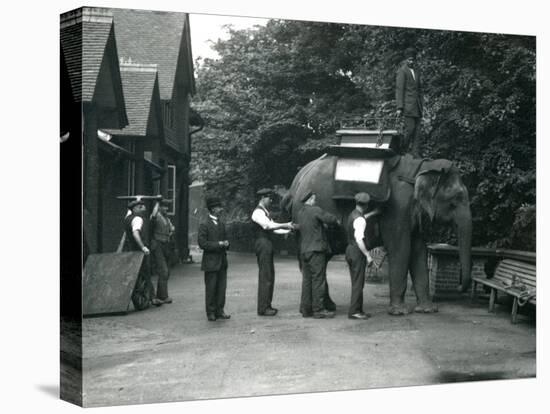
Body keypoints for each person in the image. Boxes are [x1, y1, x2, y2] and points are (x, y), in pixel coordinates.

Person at [296, 191, 340, 319]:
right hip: (316, 250)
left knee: (306, 280)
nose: (315, 200)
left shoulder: (300, 213)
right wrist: (337, 220)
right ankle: (318, 309)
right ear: (309, 199)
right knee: (318, 280)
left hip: (304, 250)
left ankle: (306, 309)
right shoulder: (315, 210)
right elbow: (330, 219)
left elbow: (311, 226)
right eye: (314, 198)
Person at [251, 188, 295, 316]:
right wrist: (286, 224)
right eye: (269, 198)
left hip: (266, 244)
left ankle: (267, 305)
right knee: (265, 276)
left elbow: (274, 229)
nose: (270, 201)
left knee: (269, 275)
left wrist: (288, 230)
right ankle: (263, 308)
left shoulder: (264, 212)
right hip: (262, 244)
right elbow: (268, 226)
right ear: (262, 198)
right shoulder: (257, 213)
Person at [345, 192, 380, 320]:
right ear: (366, 205)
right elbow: (359, 239)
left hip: (349, 249)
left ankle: (358, 309)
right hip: (357, 251)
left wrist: (373, 214)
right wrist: (368, 255)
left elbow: (361, 219)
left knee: (356, 282)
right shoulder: (360, 220)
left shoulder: (353, 214)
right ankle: (354, 311)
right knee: (358, 284)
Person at [125, 199, 163, 308]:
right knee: (145, 273)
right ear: (136, 209)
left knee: (139, 274)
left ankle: (150, 297)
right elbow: (136, 234)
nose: (144, 208)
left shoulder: (128, 218)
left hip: (131, 251)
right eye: (141, 206)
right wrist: (143, 247)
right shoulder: (137, 219)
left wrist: (156, 203)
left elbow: (153, 215)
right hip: (140, 252)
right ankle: (152, 297)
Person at [198, 196, 231, 322]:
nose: (220, 209)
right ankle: (210, 312)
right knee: (211, 288)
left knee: (222, 287)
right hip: (211, 262)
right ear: (212, 209)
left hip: (222, 261)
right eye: (218, 207)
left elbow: (226, 239)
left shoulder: (222, 224)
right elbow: (202, 243)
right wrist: (219, 244)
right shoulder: (204, 224)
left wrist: (227, 244)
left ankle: (220, 310)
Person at [396, 47, 423, 156]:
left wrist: (422, 103)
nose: (411, 62)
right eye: (409, 60)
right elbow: (399, 89)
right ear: (405, 59)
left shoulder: (417, 71)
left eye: (413, 60)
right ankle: (402, 151)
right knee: (410, 129)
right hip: (407, 106)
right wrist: (399, 107)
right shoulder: (402, 71)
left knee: (417, 132)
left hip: (417, 106)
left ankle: (415, 154)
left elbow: (419, 89)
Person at [150, 198, 175, 304]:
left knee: (166, 271)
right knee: (163, 270)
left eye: (167, 206)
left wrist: (171, 231)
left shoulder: (166, 218)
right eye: (163, 206)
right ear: (159, 207)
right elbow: (154, 215)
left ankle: (161, 295)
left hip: (166, 245)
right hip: (158, 244)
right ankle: (163, 296)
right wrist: (157, 202)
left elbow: (171, 228)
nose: (166, 208)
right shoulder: (156, 216)